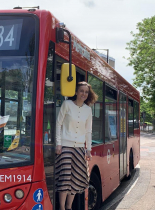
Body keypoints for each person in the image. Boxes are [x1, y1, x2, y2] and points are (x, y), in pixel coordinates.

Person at [55, 81, 98, 210]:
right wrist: (58, 144)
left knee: (75, 179)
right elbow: (58, 124)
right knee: (65, 178)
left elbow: (88, 131)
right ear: (76, 92)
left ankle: (69, 206)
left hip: (79, 148)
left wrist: (88, 149)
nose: (84, 94)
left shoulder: (88, 110)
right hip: (65, 147)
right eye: (81, 91)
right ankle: (62, 207)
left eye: (86, 92)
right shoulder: (67, 104)